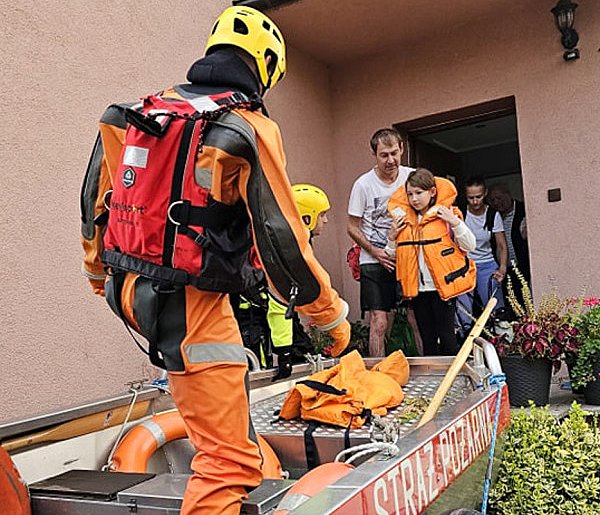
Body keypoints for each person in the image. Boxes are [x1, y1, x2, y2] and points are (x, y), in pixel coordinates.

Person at [79, 6, 350, 514]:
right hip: (191, 304)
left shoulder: (130, 115)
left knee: (221, 426)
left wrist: (99, 275)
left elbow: (95, 205)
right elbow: (282, 242)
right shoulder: (245, 128)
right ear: (266, 67)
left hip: (129, 289)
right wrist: (329, 317)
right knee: (229, 464)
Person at [388, 168, 476, 356]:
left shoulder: (448, 215)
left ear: (432, 192)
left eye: (419, 193)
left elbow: (470, 245)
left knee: (447, 338)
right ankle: (435, 381)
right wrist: (391, 237)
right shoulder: (404, 221)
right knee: (427, 339)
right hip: (419, 291)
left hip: (441, 290)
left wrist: (455, 222)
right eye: (410, 194)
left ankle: (453, 380)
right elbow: (393, 256)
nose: (414, 199)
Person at [347, 128, 414, 357]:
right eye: (384, 155)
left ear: (402, 149)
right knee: (379, 320)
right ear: (374, 154)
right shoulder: (363, 185)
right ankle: (377, 375)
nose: (391, 160)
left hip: (407, 257)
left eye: (394, 153)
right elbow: (352, 227)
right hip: (373, 259)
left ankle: (429, 368)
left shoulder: (411, 177)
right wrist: (375, 251)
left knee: (416, 317)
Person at [455, 176, 508, 335]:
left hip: (487, 264)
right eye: (471, 197)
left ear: (484, 193)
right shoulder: (460, 214)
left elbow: (501, 245)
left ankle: (501, 343)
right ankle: (464, 341)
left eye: (478, 196)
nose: (475, 201)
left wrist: (502, 267)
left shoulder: (493, 215)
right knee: (463, 310)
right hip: (464, 266)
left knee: (495, 309)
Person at [487, 183, 530, 281]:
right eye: (493, 200)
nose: (496, 202)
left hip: (523, 266)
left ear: (508, 195)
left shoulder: (523, 210)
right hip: (503, 270)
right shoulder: (492, 216)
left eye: (499, 198)